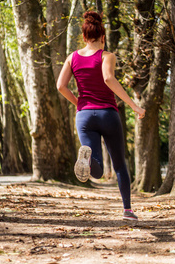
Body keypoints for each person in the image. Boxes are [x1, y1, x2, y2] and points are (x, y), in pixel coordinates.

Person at [57, 11, 146, 221]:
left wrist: (79, 103)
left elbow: (60, 86)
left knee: (95, 167)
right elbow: (108, 78)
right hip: (108, 114)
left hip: (84, 116)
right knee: (119, 164)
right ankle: (127, 210)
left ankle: (88, 160)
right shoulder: (107, 56)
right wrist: (134, 105)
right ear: (103, 37)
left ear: (84, 37)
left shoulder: (73, 57)